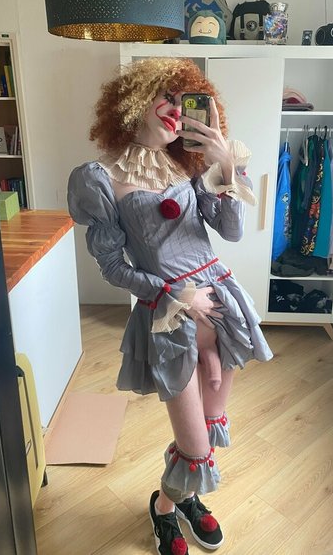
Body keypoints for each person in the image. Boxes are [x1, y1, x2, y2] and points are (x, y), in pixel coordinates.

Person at [68, 57, 273, 555]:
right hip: (171, 320)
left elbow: (231, 231)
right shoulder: (100, 178)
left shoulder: (189, 164)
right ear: (135, 99)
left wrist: (224, 163)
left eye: (187, 103)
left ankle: (178, 499)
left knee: (206, 432)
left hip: (222, 308)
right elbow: (112, 266)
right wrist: (175, 294)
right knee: (197, 447)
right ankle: (164, 508)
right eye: (168, 98)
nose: (178, 112)